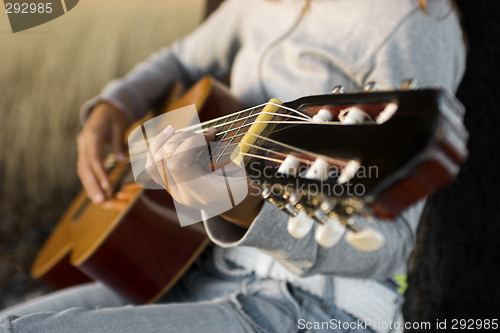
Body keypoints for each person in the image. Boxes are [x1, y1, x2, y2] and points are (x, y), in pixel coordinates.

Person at [0, 0, 465, 332]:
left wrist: (237, 202)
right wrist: (114, 106)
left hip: (318, 304)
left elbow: (390, 246)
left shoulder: (408, 21)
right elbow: (181, 58)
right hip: (200, 266)